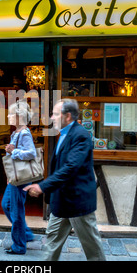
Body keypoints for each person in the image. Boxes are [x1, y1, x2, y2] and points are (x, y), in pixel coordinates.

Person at [24, 99, 106, 261]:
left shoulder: (81, 135)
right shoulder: (63, 134)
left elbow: (70, 168)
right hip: (61, 201)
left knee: (92, 247)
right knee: (52, 241)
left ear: (67, 116)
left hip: (77, 202)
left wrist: (42, 186)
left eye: (55, 114)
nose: (52, 118)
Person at [2, 100, 36, 255]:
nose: (8, 116)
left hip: (21, 178)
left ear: (19, 116)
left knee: (16, 210)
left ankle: (19, 245)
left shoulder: (24, 133)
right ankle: (26, 233)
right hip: (15, 177)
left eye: (11, 114)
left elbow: (31, 153)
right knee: (6, 205)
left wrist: (13, 151)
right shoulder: (16, 133)